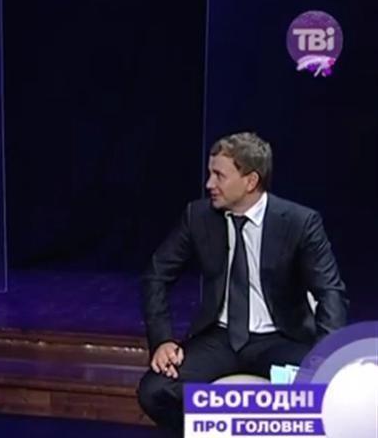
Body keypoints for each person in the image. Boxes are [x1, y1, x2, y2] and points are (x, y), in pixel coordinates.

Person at [137, 132, 348, 436]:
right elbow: (156, 275)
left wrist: (326, 356)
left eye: (219, 175)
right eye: (210, 173)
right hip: (220, 338)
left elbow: (330, 293)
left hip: (280, 337)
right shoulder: (198, 216)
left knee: (329, 395)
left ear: (250, 181)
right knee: (155, 391)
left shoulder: (299, 222)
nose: (209, 184)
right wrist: (163, 340)